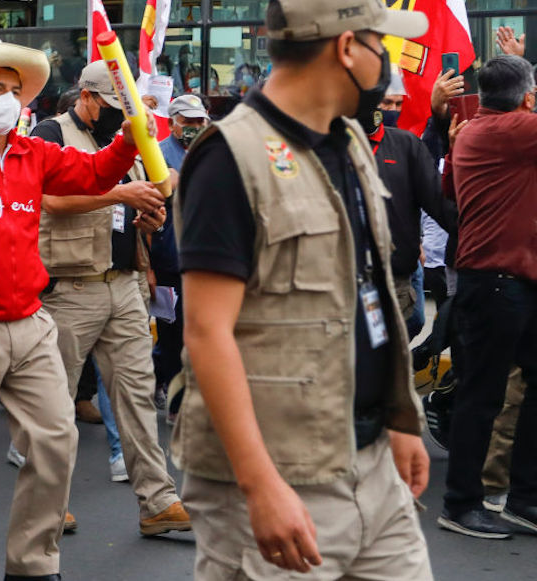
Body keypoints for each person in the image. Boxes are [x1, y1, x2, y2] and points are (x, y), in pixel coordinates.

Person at [175, 1, 431, 579]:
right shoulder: (228, 157)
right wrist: (260, 484)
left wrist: (398, 419)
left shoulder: (350, 143)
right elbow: (207, 333)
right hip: (278, 483)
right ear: (346, 48)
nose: (386, 65)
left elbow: (367, 295)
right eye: (380, 46)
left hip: (372, 470)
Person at [0, 35, 146, 581]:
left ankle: (33, 564)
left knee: (57, 438)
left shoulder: (31, 152)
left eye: (15, 89)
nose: (10, 98)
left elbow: (91, 175)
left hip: (30, 321)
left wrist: (129, 142)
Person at [30, 58, 189, 536]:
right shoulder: (51, 132)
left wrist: (150, 216)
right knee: (53, 404)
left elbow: (146, 195)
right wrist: (119, 197)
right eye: (114, 106)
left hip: (124, 282)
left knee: (138, 396)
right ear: (87, 97)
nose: (122, 116)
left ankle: (157, 500)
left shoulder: (130, 140)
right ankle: (47, 504)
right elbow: (45, 200)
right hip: (70, 286)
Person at [440, 54, 537, 540]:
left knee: (503, 391)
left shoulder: (474, 130)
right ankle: (460, 504)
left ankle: (523, 498)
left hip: (505, 281)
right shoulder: (516, 131)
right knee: (483, 395)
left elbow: (449, 188)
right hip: (496, 281)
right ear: (526, 98)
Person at [359, 80, 455, 339]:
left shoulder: (406, 145)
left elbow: (441, 204)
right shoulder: (331, 144)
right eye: (385, 102)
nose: (391, 110)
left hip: (396, 280)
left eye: (397, 103)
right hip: (345, 283)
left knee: (390, 357)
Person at [152, 94, 209, 413]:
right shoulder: (158, 154)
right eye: (187, 122)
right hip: (170, 258)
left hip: (205, 257)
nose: (194, 127)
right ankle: (173, 396)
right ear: (173, 124)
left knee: (199, 329)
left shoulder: (211, 150)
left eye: (199, 121)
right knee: (173, 333)